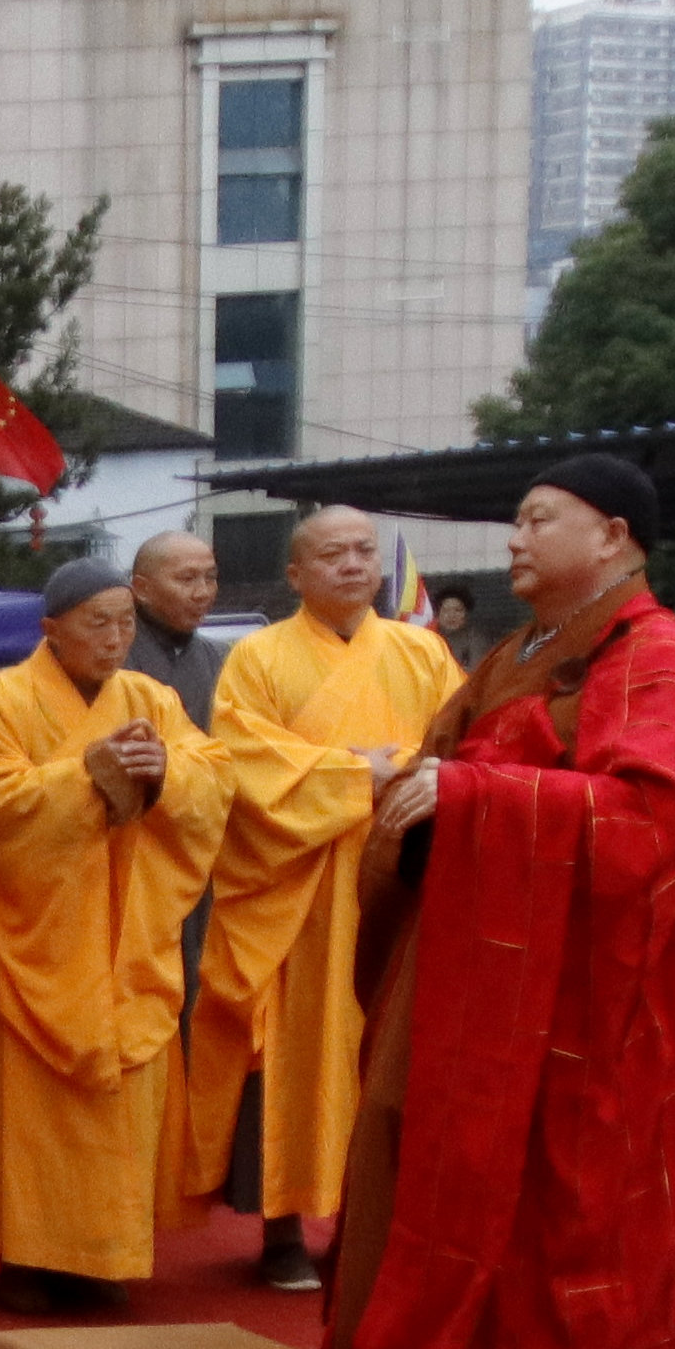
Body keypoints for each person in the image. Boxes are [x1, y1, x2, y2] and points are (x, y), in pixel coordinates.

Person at [326, 450, 675, 1349]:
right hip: (469, 967)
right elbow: (452, 763)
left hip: (575, 1002)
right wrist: (424, 788)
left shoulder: (656, 657)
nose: (515, 537)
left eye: (540, 518)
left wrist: (468, 800)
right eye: (516, 519)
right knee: (411, 1150)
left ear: (616, 538)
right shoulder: (522, 650)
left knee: (552, 1204)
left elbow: (646, 821)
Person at [183, 505, 459, 1292]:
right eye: (330, 553)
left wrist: (386, 769)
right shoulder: (258, 658)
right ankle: (281, 1227)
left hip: (396, 879)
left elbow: (460, 747)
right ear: (295, 574)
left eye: (362, 550)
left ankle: (373, 1226)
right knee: (294, 1058)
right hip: (296, 891)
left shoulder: (422, 652)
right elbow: (241, 759)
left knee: (389, 1054)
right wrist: (355, 774)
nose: (349, 563)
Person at [0, 553, 228, 1310]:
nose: (114, 638)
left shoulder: (149, 695)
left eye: (124, 623)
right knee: (30, 1112)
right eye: (96, 623)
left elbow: (214, 778)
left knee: (116, 1109)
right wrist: (87, 773)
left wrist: (166, 767)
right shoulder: (3, 701)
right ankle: (24, 1260)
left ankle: (102, 1256)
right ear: (51, 630)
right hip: (35, 934)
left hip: (127, 931)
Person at [120, 527, 237, 724]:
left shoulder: (220, 657)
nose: (202, 593)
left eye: (210, 578)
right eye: (187, 579)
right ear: (142, 589)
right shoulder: (111, 657)